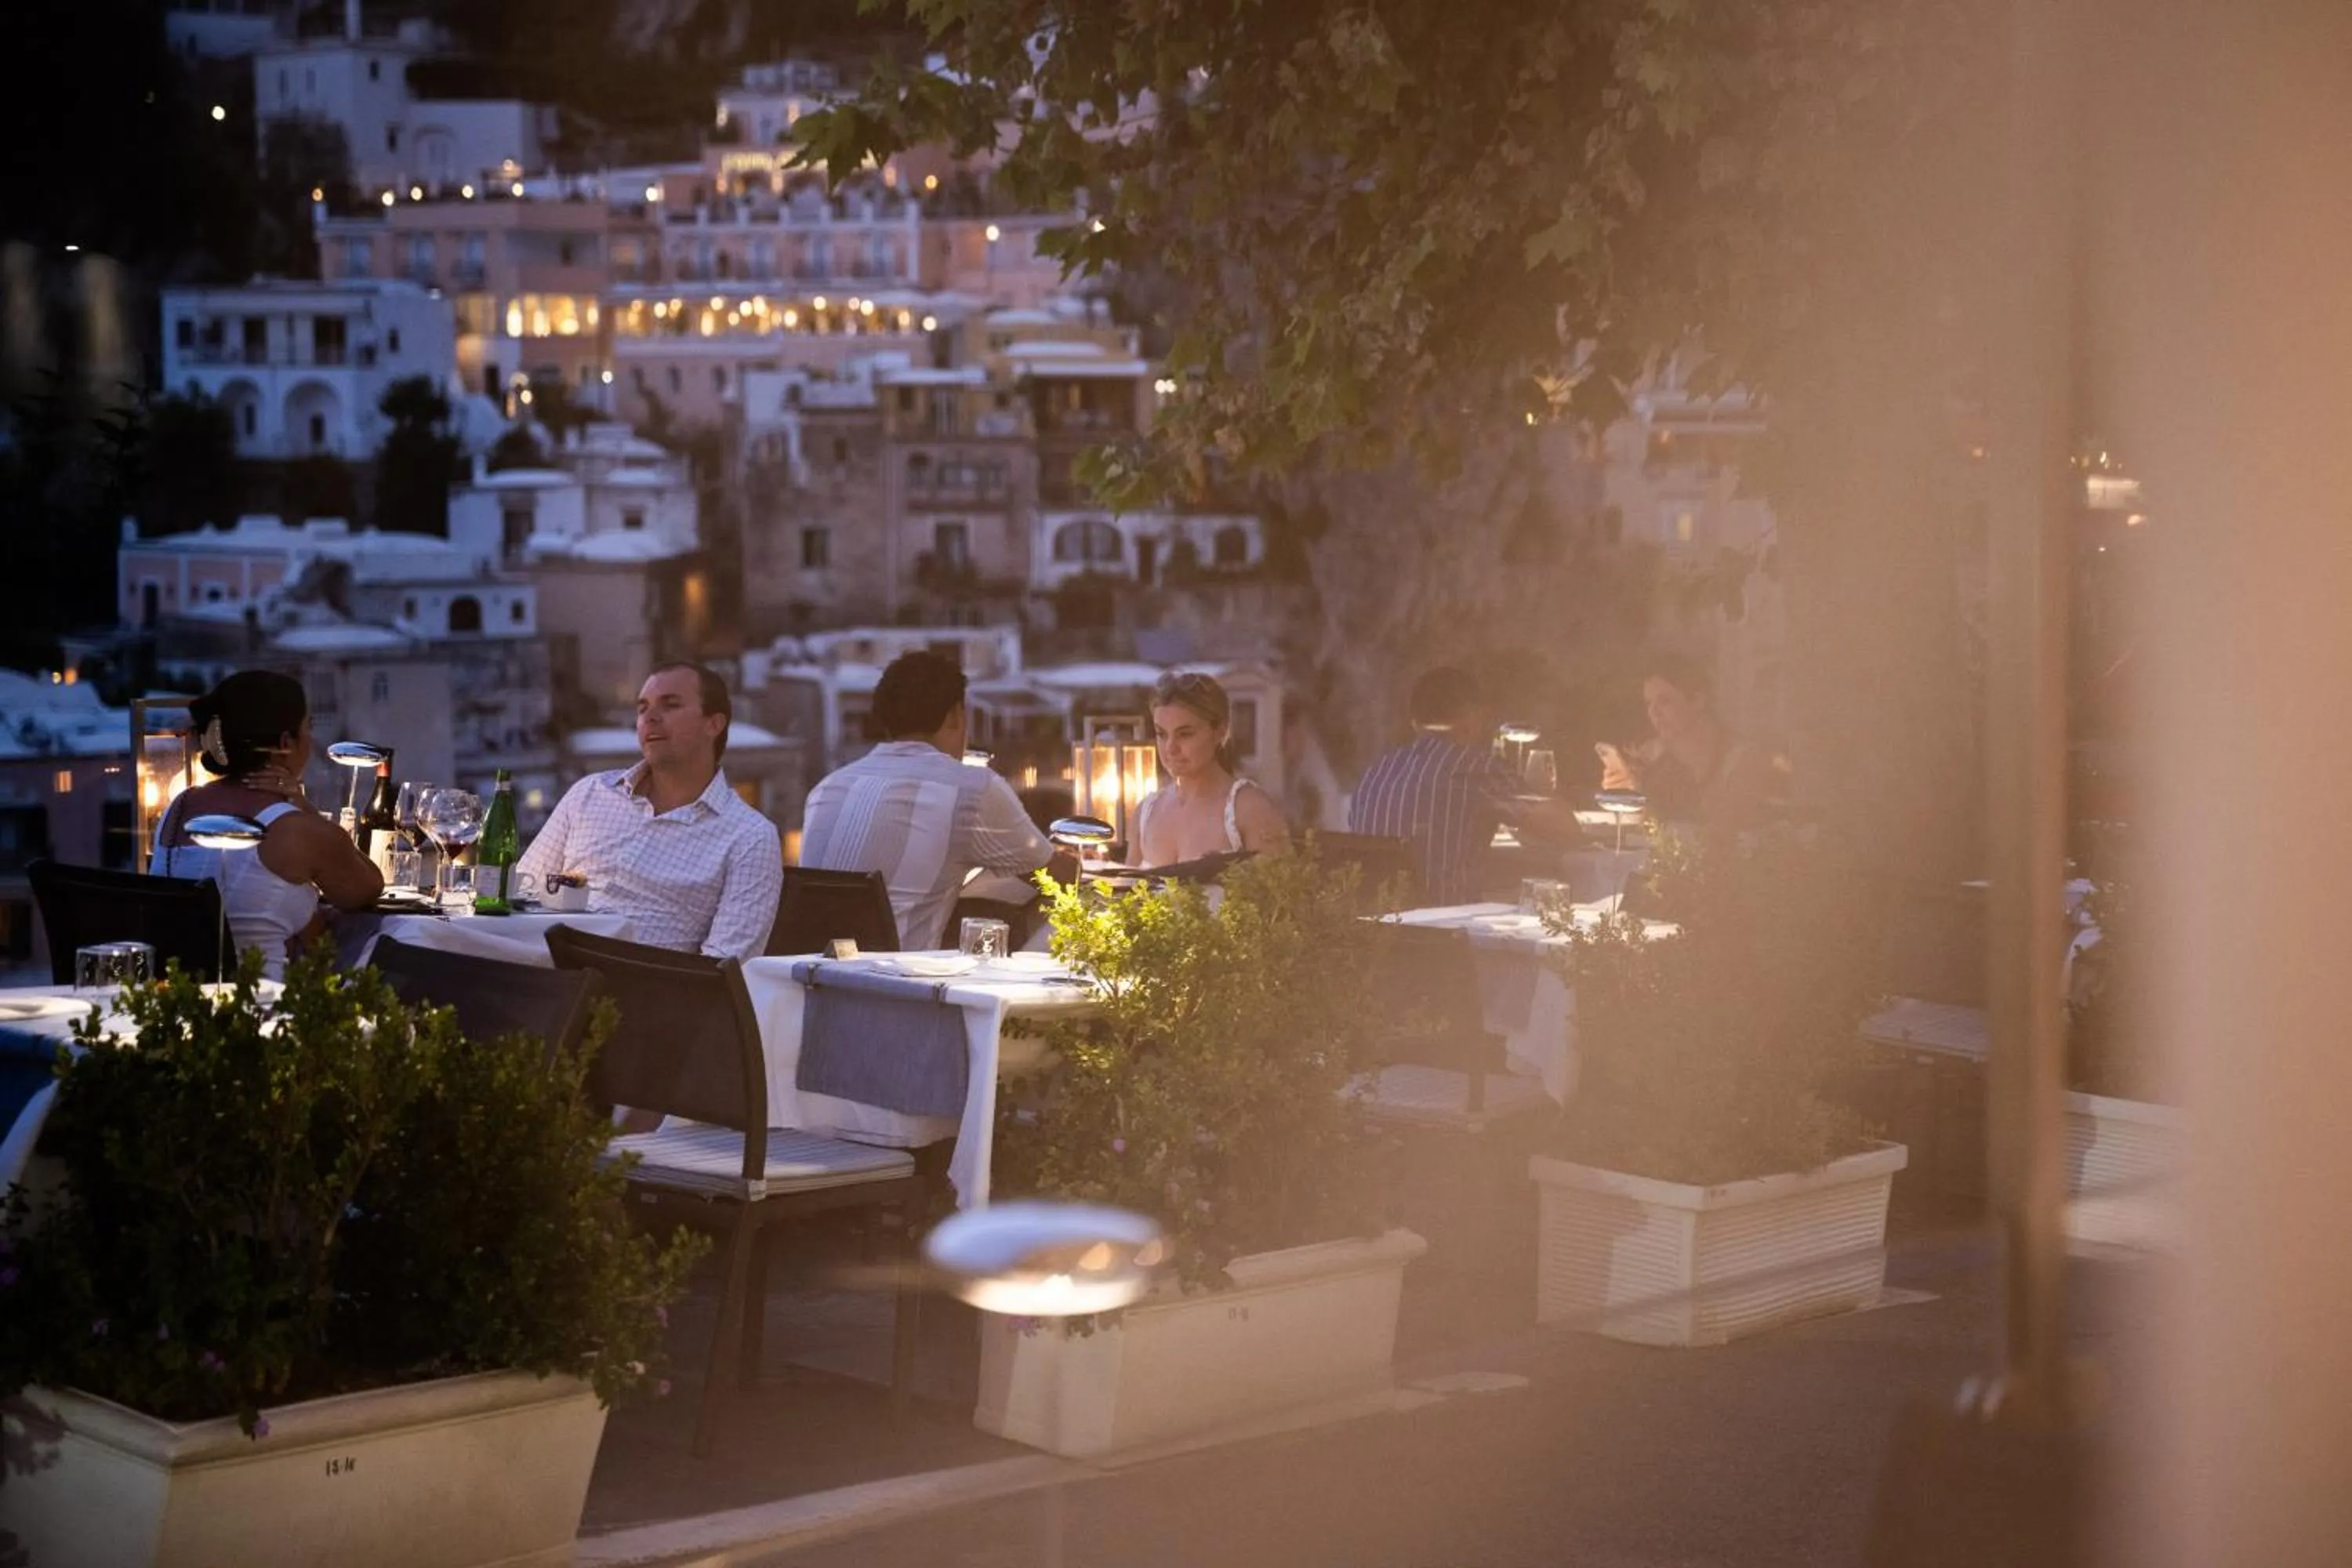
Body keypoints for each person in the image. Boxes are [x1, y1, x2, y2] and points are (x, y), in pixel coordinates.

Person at [799, 651, 1076, 950]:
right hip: (899, 987)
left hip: (818, 985)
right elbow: (1057, 878)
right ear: (957, 715)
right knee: (1083, 916)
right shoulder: (971, 789)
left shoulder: (826, 788)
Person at [517, 662, 782, 959]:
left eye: (671, 705)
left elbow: (724, 968)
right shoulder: (590, 794)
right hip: (545, 970)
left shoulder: (749, 836)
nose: (650, 718)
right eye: (643, 708)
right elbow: (523, 890)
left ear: (714, 724)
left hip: (639, 991)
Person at [150, 670, 384, 981]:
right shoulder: (296, 830)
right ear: (286, 742)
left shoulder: (178, 808)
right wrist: (306, 807)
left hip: (187, 1008)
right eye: (307, 729)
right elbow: (367, 888)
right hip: (263, 1014)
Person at [1348, 666, 1573, 906]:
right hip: (1443, 929)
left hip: (1374, 927)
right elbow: (1565, 829)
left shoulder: (1377, 769)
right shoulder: (1475, 768)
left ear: (1415, 722)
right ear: (1473, 717)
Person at [1597, 655, 1783, 834]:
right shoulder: (1652, 759)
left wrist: (1651, 789)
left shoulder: (1743, 759)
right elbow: (1650, 833)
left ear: (1697, 700)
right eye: (1649, 704)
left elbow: (1721, 828)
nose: (1654, 712)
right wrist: (1630, 794)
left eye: (1664, 701)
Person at [1133, 670, 1289, 868]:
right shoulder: (1146, 814)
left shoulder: (1250, 809)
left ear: (1220, 731)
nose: (1170, 748)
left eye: (1185, 734)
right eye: (1161, 734)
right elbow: (1123, 894)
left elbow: (1283, 893)